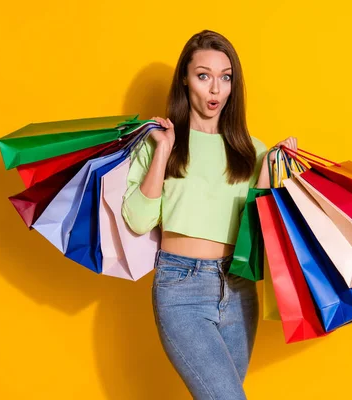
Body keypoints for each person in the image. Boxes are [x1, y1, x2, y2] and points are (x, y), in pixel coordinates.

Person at [121, 30, 297, 400]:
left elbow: (258, 236)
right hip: (180, 288)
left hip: (237, 289)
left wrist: (270, 170)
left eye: (225, 77)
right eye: (204, 76)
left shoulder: (252, 150)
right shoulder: (161, 143)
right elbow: (138, 220)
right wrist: (163, 152)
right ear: (185, 79)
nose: (215, 89)